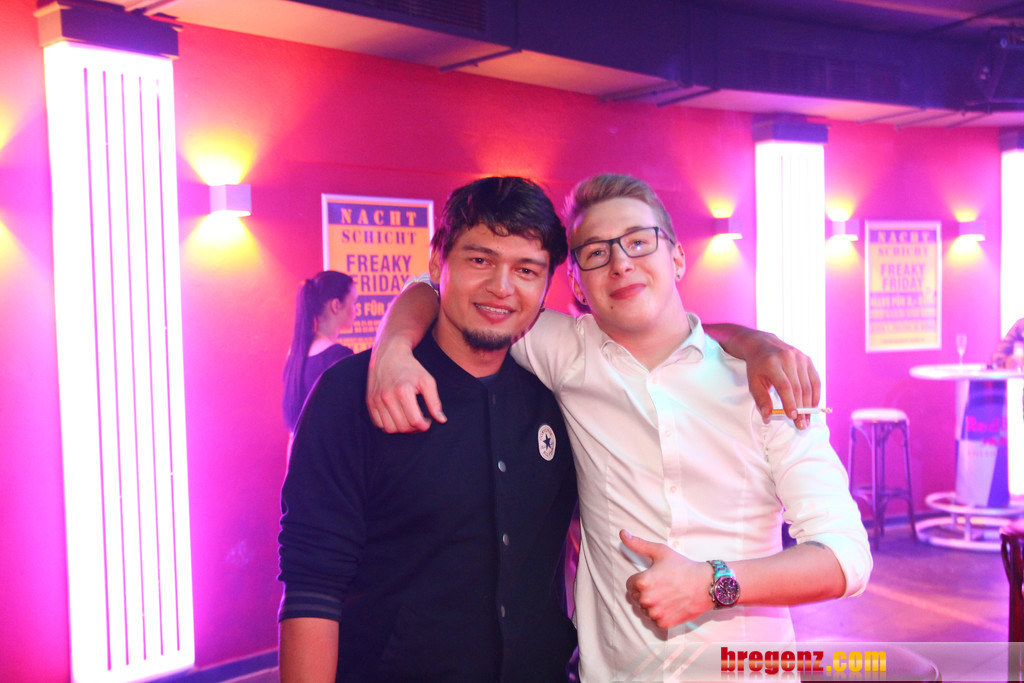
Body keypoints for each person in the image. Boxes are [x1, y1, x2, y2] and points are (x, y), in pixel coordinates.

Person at [367, 174, 872, 681]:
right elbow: (442, 289)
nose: (621, 263)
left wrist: (713, 584)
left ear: (677, 257)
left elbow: (846, 556)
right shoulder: (566, 353)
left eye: (638, 242)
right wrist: (392, 346)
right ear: (577, 286)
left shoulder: (766, 386)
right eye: (596, 252)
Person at [278, 177, 579, 682]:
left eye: (526, 270)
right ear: (439, 262)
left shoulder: (559, 395)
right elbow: (312, 583)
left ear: (546, 284)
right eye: (480, 260)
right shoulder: (350, 394)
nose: (502, 287)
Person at [282, 270, 358, 431]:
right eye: (354, 303)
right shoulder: (339, 356)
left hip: (298, 446)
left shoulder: (294, 353)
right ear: (336, 305)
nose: (356, 309)